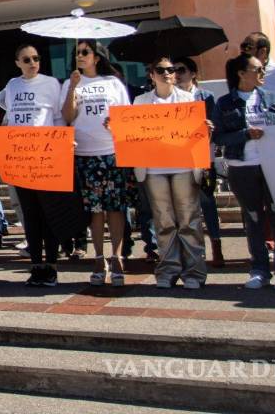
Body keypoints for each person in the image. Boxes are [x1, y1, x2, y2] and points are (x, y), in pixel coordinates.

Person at [0, 44, 77, 287]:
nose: (32, 62)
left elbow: (59, 119)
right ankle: (36, 265)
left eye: (36, 58)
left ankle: (51, 265)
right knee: (29, 216)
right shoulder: (12, 85)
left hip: (45, 157)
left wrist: (64, 141)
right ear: (18, 62)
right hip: (21, 158)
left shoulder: (51, 83)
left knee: (47, 213)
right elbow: (9, 116)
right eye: (27, 59)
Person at [213, 53, 275, 289]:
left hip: (273, 164)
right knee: (252, 217)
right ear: (241, 73)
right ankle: (259, 268)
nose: (262, 74)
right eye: (257, 69)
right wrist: (246, 134)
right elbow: (218, 137)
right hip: (242, 166)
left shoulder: (273, 98)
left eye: (263, 69)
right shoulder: (225, 103)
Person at [61, 39, 132, 287]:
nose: (80, 56)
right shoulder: (71, 83)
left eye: (85, 52)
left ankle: (118, 256)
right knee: (94, 210)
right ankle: (99, 257)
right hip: (84, 155)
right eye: (77, 53)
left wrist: (115, 124)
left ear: (97, 57)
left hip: (111, 153)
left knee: (115, 207)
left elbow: (127, 116)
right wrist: (72, 87)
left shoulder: (113, 83)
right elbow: (67, 117)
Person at [134, 58, 208, 289]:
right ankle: (168, 269)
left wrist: (206, 129)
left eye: (171, 70)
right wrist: (114, 127)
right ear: (151, 75)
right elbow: (132, 132)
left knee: (189, 219)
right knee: (163, 220)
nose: (167, 73)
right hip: (154, 167)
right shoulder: (140, 101)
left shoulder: (189, 99)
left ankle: (194, 272)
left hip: (184, 166)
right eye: (161, 70)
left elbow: (197, 133)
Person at [173, 57, 225, 267]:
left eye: (182, 70)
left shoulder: (206, 96)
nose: (177, 74)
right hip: (179, 157)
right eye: (174, 70)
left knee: (207, 202)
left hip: (203, 156)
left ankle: (216, 245)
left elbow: (215, 126)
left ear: (193, 73)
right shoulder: (172, 98)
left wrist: (210, 127)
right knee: (183, 206)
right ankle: (191, 250)